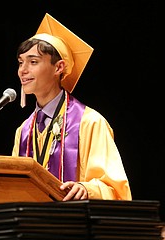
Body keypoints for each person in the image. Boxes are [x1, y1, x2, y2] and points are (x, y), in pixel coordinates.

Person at [12, 13, 132, 201]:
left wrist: (86, 189)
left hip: (77, 224)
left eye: (33, 62)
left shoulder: (90, 122)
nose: (22, 70)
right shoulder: (24, 131)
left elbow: (115, 190)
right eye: (20, 62)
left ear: (59, 67)